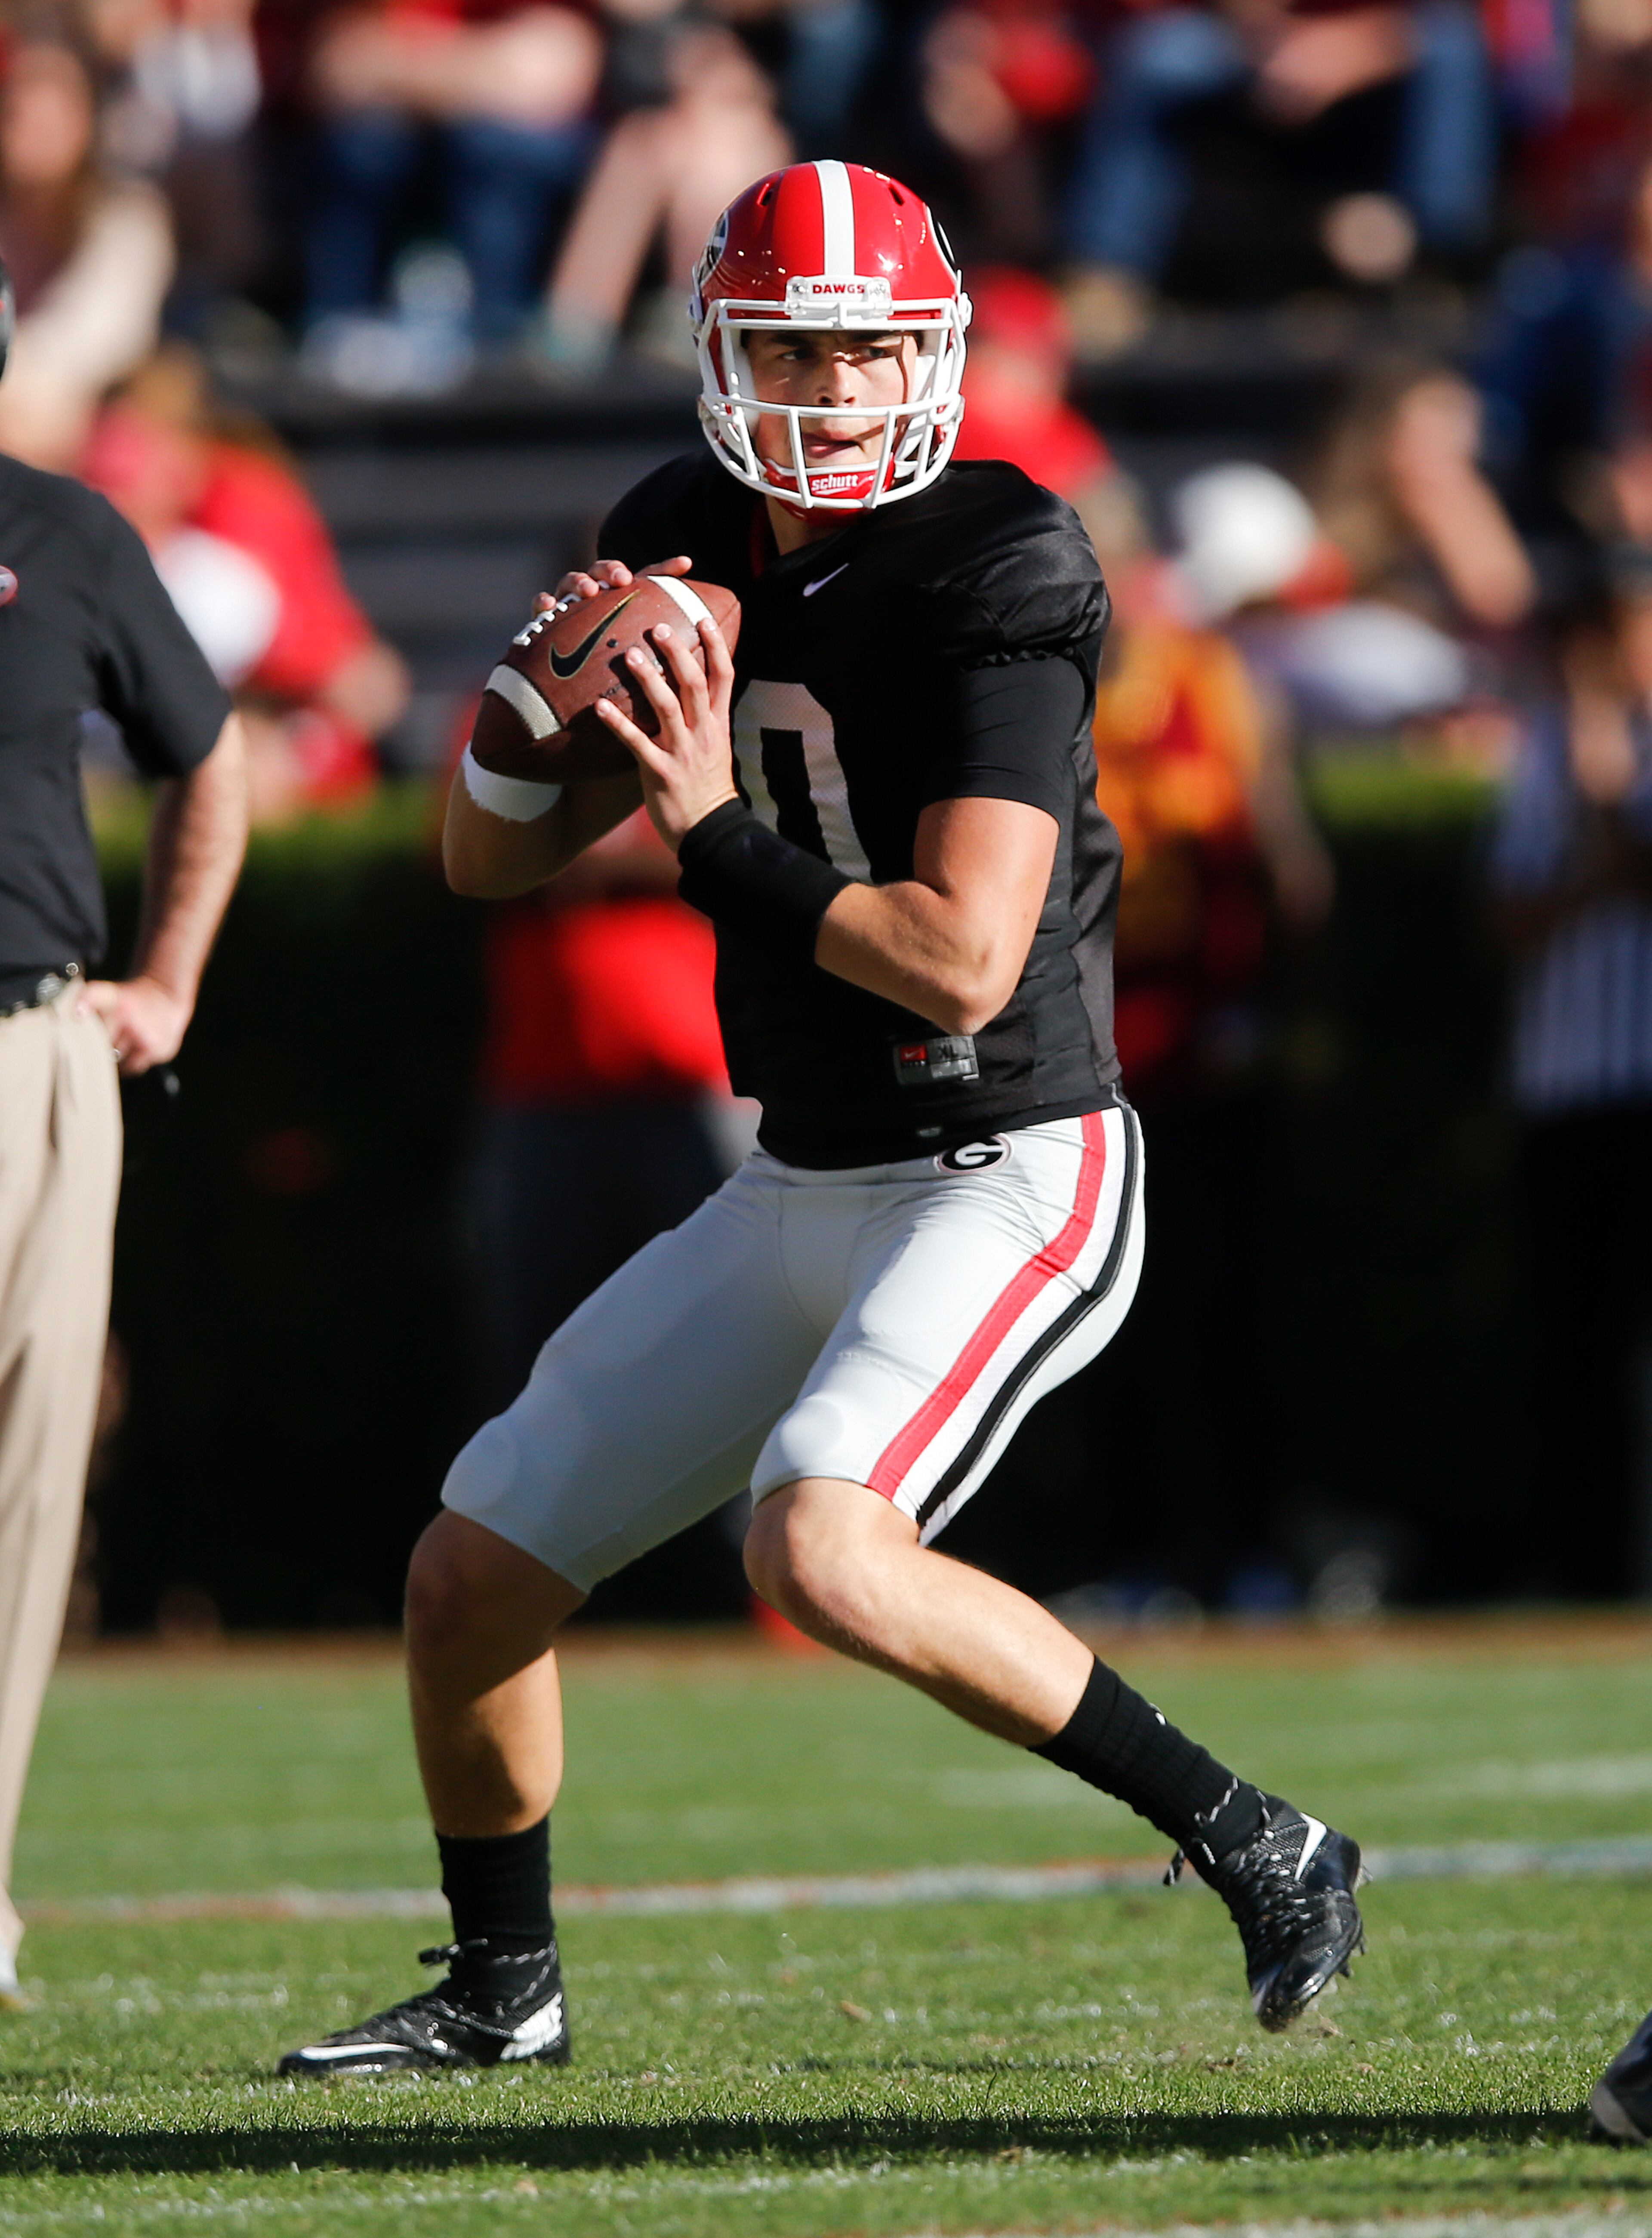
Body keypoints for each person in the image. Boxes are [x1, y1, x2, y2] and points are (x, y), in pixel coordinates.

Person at [277, 160, 1363, 2081]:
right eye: (801, 346)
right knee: (469, 1576)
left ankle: (1256, 1835)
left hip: (1010, 1159)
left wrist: (702, 828)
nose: (845, 387)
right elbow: (473, 862)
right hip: (803, 1172)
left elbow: (958, 960)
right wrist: (522, 727)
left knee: (820, 1546)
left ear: (933, 356)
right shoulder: (680, 527)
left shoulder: (1001, 561)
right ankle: (501, 1988)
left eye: (875, 347)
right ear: (722, 355)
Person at [0, 256, 247, 2007]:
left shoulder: (64, 533)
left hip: (32, 1046)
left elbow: (206, 756)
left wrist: (165, 976)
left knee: (22, 1490)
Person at [0, 36, 173, 469]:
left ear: (87, 122)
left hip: (91, 422)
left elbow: (98, 340)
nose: (34, 129)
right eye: (17, 113)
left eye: (53, 115)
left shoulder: (129, 220)